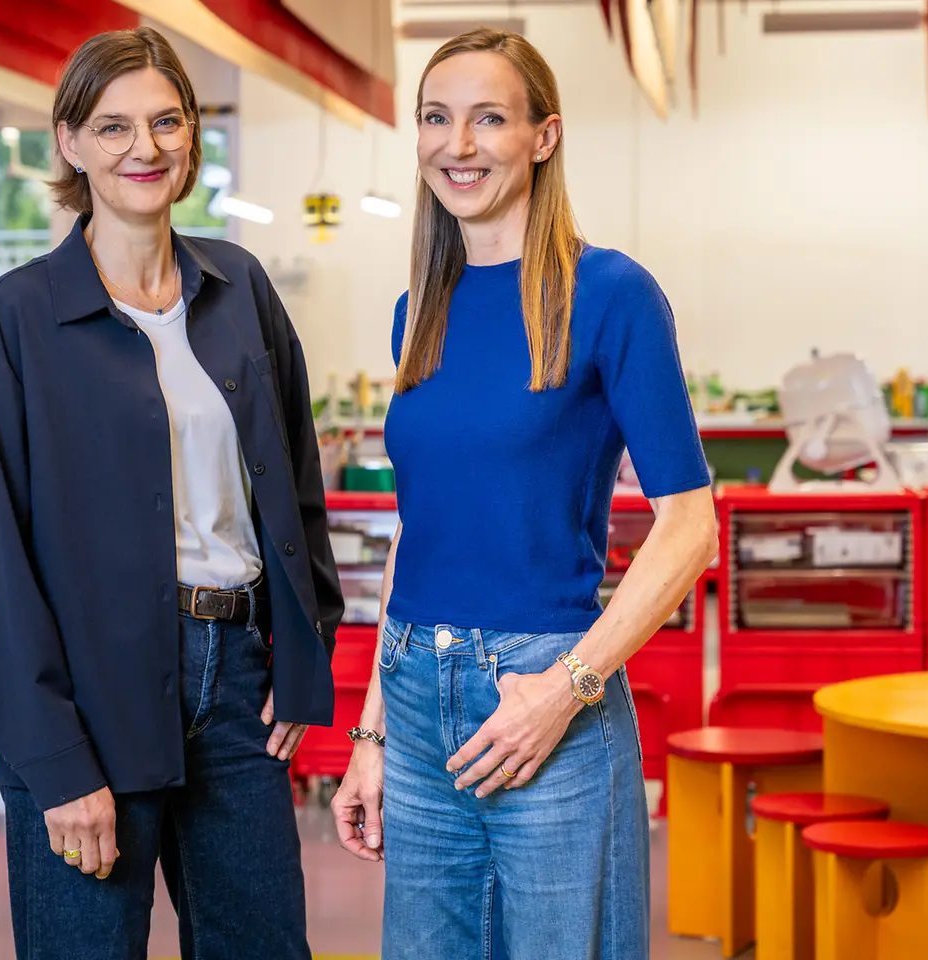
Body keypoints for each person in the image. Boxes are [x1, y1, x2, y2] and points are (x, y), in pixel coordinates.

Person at [330, 27, 718, 960]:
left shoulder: (611, 294)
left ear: (543, 137)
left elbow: (689, 526)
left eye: (488, 119)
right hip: (418, 695)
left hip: (544, 684)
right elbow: (418, 534)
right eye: (436, 118)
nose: (456, 145)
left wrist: (565, 691)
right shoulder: (416, 309)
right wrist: (373, 735)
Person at [0, 27, 343, 960]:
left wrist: (303, 649)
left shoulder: (238, 285)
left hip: (237, 685)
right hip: (89, 695)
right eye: (115, 126)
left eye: (167, 122)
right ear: (70, 142)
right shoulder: (21, 316)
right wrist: (53, 761)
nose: (146, 148)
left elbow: (294, 486)